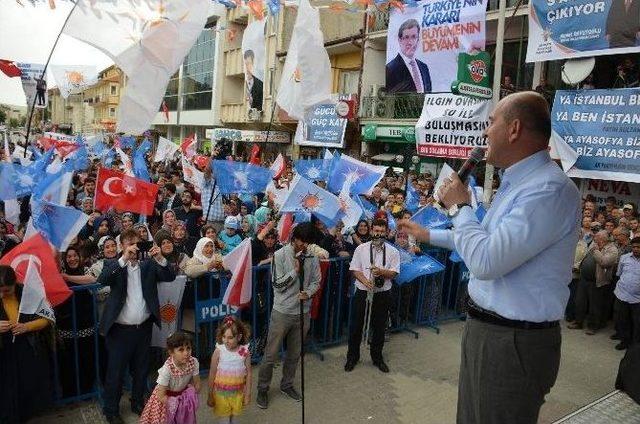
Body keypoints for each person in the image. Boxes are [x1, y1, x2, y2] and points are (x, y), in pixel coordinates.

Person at [399, 92, 581, 424]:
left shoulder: (547, 190)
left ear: (514, 129)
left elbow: (485, 260)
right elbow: (482, 241)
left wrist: (460, 206)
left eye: (490, 122)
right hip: (490, 331)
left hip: (513, 341)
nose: (484, 133)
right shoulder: (516, 184)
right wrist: (427, 235)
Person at [98, 229, 177, 424]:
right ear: (122, 247)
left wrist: (160, 258)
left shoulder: (148, 265)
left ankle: (137, 402)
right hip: (119, 331)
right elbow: (104, 279)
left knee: (141, 369)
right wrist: (124, 258)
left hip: (142, 328)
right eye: (129, 243)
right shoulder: (114, 264)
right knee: (115, 372)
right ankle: (111, 410)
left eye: (136, 243)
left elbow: (169, 276)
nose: (133, 247)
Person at [256, 222, 321, 409]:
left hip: (303, 312)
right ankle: (262, 388)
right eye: (302, 242)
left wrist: (308, 292)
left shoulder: (311, 256)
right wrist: (294, 272)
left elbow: (317, 280)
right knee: (271, 354)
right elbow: (277, 284)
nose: (305, 246)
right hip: (282, 312)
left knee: (294, 353)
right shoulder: (279, 255)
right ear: (295, 238)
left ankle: (287, 385)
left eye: (308, 243)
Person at [344, 218, 400, 373]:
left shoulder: (393, 251)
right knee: (356, 326)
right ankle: (352, 357)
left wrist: (381, 272)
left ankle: (377, 358)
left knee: (380, 327)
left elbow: (394, 273)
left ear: (387, 232)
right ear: (371, 231)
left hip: (382, 294)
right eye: (376, 231)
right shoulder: (361, 249)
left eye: (382, 231)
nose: (378, 234)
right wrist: (365, 281)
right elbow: (355, 269)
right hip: (362, 292)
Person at [0, 265, 53, 423]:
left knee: (25, 387)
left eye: (6, 291)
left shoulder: (27, 293)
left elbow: (47, 318)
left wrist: (26, 326)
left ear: (15, 283)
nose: (2, 295)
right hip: (3, 351)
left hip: (25, 348)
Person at [140, 332, 201, 424]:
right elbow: (160, 396)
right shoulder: (167, 370)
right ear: (171, 352)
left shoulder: (193, 362)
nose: (186, 353)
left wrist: (193, 394)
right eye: (181, 350)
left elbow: (197, 383)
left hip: (182, 398)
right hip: (166, 401)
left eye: (188, 348)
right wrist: (176, 404)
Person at [570, 230, 620, 335]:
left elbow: (604, 262)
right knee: (580, 302)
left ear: (603, 239)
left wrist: (596, 251)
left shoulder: (612, 249)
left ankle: (593, 326)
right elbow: (586, 256)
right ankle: (578, 322)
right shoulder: (594, 244)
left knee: (595, 305)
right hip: (584, 279)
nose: (594, 238)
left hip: (597, 282)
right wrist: (578, 266)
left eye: (597, 237)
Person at [208, 315, 252, 424]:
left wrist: (247, 394)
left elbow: (249, 374)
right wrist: (209, 395)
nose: (226, 341)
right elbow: (212, 373)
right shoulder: (219, 351)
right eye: (224, 337)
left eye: (230, 337)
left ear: (239, 337)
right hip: (221, 396)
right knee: (224, 422)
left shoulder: (244, 352)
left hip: (237, 395)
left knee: (235, 421)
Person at [385, 19, 432, 93]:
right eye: (406, 37)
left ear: (418, 39)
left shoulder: (424, 67)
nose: (410, 42)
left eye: (414, 37)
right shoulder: (391, 68)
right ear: (400, 40)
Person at [612, 237, 640, 350]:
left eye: (638, 247)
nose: (636, 249)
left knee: (637, 322)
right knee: (622, 319)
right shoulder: (624, 258)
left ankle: (635, 344)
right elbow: (619, 274)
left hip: (638, 299)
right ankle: (624, 340)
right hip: (622, 294)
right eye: (634, 247)